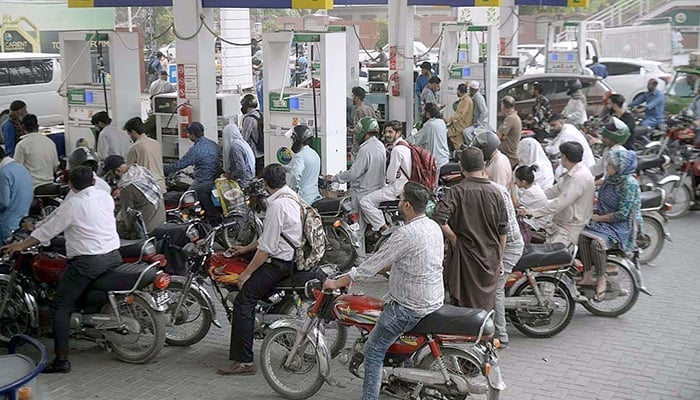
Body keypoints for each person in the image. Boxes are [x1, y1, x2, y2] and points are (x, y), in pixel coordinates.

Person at [324, 182, 444, 400]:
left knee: (373, 349)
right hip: (432, 299)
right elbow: (416, 259)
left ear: (407, 205)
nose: (398, 203)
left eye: (400, 199)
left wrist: (338, 282)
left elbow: (372, 264)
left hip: (409, 306)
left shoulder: (406, 233)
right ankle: (400, 384)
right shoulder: (433, 226)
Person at [1, 165, 122, 373]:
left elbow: (49, 230)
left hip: (88, 261)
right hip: (112, 255)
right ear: (94, 182)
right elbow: (63, 219)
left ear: (70, 185)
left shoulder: (73, 203)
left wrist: (21, 244)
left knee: (60, 306)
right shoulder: (104, 196)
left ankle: (62, 359)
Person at [217, 164, 302, 376]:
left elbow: (267, 248)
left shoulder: (276, 207)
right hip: (290, 258)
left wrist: (246, 275)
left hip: (279, 264)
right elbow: (271, 238)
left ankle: (244, 362)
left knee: (243, 302)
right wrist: (244, 249)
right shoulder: (292, 196)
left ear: (265, 183)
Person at [432, 147, 508, 310]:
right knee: (486, 306)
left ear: (462, 168)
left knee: (464, 308)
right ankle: (485, 333)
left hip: (465, 257)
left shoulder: (456, 191)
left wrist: (454, 238)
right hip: (490, 258)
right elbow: (503, 231)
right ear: (484, 166)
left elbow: (439, 217)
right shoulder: (496, 193)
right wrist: (499, 258)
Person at [578, 148, 641, 301]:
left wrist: (598, 219)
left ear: (620, 168)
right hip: (603, 221)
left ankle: (601, 280)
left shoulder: (629, 184)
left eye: (610, 165)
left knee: (596, 245)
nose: (607, 168)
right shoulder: (612, 178)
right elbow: (596, 185)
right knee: (582, 237)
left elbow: (622, 214)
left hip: (620, 226)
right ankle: (587, 275)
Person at [519, 142, 595, 246]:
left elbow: (560, 202)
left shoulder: (578, 177)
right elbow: (555, 190)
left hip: (569, 228)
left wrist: (533, 213)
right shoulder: (573, 173)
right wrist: (534, 195)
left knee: (549, 257)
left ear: (565, 157)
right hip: (560, 223)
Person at [328, 117, 386, 253]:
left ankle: (359, 260)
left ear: (362, 131)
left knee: (356, 230)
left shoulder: (365, 150)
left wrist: (335, 178)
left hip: (362, 194)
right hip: (376, 191)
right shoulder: (380, 146)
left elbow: (354, 174)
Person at [360, 120, 411, 239]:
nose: (387, 135)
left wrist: (391, 175)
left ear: (398, 133)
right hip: (405, 186)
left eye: (390, 132)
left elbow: (390, 176)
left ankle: (385, 229)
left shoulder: (397, 150)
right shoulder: (405, 145)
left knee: (365, 201)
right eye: (386, 132)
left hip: (397, 189)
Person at [164, 122, 221, 224]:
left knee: (185, 201)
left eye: (189, 134)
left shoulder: (196, 150)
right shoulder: (213, 144)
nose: (188, 136)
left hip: (201, 182)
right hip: (214, 180)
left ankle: (188, 224)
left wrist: (159, 167)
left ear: (193, 135)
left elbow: (177, 166)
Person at [490, 180, 524, 349]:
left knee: (496, 288)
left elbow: (503, 232)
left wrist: (500, 259)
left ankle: (501, 336)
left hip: (509, 246)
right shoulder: (494, 189)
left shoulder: (495, 192)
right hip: (504, 244)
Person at [102, 155, 166, 238]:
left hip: (148, 231)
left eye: (110, 174)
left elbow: (127, 219)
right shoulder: (141, 172)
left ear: (117, 171)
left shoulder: (128, 188)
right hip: (162, 222)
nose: (111, 177)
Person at [14, 114, 59, 193]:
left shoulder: (22, 145)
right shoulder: (50, 142)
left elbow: (17, 170)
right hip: (50, 183)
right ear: (37, 126)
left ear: (22, 127)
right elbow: (56, 165)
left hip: (32, 186)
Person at [124, 117, 166, 193]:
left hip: (146, 187)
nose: (130, 136)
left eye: (129, 134)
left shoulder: (135, 147)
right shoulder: (156, 143)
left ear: (133, 132)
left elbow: (128, 169)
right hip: (160, 185)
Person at [0, 146, 33, 242]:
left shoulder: (4, 173)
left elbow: (3, 202)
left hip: (8, 222)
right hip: (23, 218)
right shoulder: (20, 168)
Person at [286, 125, 322, 204]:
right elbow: (305, 169)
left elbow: (296, 174)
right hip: (315, 195)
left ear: (298, 140)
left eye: (293, 139)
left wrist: (291, 191)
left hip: (304, 199)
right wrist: (284, 169)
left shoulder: (300, 156)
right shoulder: (314, 153)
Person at [510, 164, 551, 232]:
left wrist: (512, 188)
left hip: (537, 223)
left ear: (523, 182)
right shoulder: (534, 186)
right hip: (535, 215)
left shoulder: (531, 193)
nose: (515, 182)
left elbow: (516, 204)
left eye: (516, 180)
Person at [407, 103, 449, 169]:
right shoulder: (441, 122)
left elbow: (416, 139)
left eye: (424, 111)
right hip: (444, 158)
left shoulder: (429, 125)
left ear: (428, 113)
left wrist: (403, 141)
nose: (422, 113)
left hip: (435, 161)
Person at [223, 123, 255, 191]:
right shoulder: (242, 143)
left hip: (243, 181)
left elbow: (241, 168)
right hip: (250, 177)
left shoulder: (235, 147)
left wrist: (231, 176)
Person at [240, 94, 264, 176]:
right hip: (262, 152)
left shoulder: (249, 119)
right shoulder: (260, 114)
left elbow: (244, 138)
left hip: (254, 154)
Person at [446, 83, 474, 150]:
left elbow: (460, 114)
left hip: (462, 125)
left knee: (448, 132)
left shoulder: (466, 100)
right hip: (460, 123)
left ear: (458, 91)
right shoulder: (464, 99)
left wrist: (448, 119)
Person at [497, 96, 522, 167]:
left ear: (503, 106)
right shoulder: (514, 117)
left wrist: (502, 137)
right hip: (509, 153)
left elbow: (499, 135)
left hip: (508, 155)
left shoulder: (511, 118)